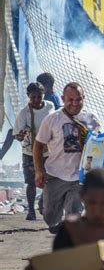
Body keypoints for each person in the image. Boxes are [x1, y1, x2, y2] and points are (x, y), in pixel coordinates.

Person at [34, 82, 100, 233]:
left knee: (74, 214)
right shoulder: (52, 119)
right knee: (50, 216)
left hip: (80, 177)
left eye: (79, 100)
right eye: (70, 100)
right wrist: (38, 171)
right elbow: (38, 145)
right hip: (55, 175)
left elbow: (99, 145)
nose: (75, 104)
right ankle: (50, 210)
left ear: (84, 98)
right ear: (63, 98)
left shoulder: (90, 119)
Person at [13, 82, 55, 220]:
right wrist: (21, 135)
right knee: (31, 182)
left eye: (39, 96)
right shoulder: (23, 113)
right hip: (29, 152)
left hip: (48, 150)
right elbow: (17, 135)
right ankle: (31, 211)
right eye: (33, 97)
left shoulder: (50, 106)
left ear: (43, 95)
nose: (36, 100)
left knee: (48, 179)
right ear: (28, 97)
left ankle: (42, 203)